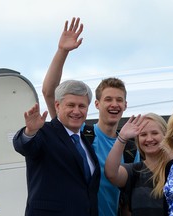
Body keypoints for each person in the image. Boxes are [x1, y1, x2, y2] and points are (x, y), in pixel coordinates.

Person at [42, 17, 139, 216]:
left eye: (119, 100)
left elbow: (129, 196)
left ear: (125, 105)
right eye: (108, 99)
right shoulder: (78, 134)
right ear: (96, 104)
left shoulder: (130, 148)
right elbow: (50, 93)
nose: (114, 104)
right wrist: (62, 51)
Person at [13, 80, 100, 216]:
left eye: (82, 106)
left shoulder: (85, 141)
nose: (76, 111)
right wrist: (29, 132)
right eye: (71, 105)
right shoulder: (43, 132)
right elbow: (24, 146)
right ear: (58, 106)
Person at [105, 113, 173, 216]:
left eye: (154, 133)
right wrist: (122, 138)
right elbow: (111, 173)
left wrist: (168, 145)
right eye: (143, 134)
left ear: (165, 135)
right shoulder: (134, 171)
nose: (149, 139)